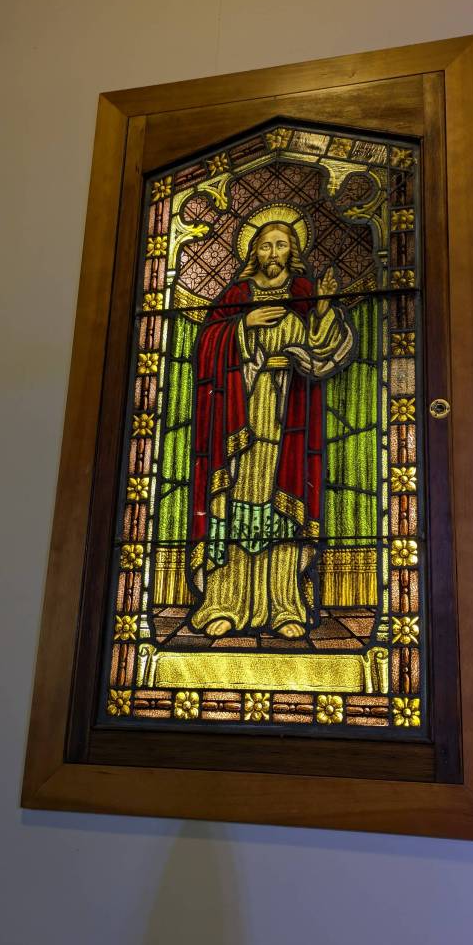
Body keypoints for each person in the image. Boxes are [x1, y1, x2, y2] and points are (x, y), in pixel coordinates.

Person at [187, 209, 356, 638]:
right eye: (265, 245)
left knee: (282, 505)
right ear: (253, 252)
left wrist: (323, 309)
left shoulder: (302, 291)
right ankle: (224, 601)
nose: (273, 252)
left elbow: (322, 351)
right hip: (236, 421)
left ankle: (285, 605)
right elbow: (205, 345)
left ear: (293, 251)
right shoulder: (236, 296)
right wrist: (242, 326)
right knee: (233, 503)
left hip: (288, 419)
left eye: (281, 244)